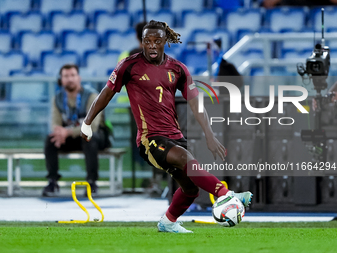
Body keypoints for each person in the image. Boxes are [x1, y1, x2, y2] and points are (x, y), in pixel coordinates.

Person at [81, 20, 252, 233]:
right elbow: (105, 94)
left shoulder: (178, 69)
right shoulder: (128, 65)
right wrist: (87, 122)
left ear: (165, 41)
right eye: (147, 41)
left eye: (157, 40)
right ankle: (225, 194)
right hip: (149, 139)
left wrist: (209, 134)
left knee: (190, 189)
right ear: (142, 42)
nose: (152, 45)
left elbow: (196, 104)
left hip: (175, 136)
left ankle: (168, 222)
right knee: (185, 159)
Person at [42, 64, 110, 197]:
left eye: (73, 75)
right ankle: (52, 181)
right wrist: (59, 133)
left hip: (96, 137)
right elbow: (54, 124)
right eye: (66, 76)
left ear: (79, 78)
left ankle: (91, 182)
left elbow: (92, 126)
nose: (70, 79)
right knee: (50, 140)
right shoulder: (57, 99)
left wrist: (66, 132)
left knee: (89, 138)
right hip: (72, 137)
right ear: (61, 80)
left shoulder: (92, 96)